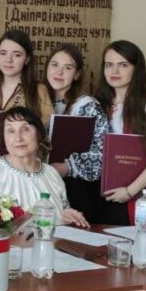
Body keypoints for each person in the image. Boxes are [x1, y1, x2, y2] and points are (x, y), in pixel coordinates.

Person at [95, 40, 146, 226]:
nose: (114, 71)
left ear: (137, 69)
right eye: (109, 65)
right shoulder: (98, 103)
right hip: (97, 191)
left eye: (123, 65)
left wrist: (130, 191)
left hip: (131, 192)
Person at [0, 107, 89, 228]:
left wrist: (67, 216)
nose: (18, 138)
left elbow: (60, 216)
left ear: (39, 134)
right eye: (11, 131)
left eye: (25, 129)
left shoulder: (52, 173)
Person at [44, 44, 109, 223]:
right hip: (42, 185)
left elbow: (104, 154)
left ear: (77, 74)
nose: (59, 72)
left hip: (77, 189)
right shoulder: (37, 101)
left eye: (68, 68)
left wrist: (67, 167)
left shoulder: (88, 106)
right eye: (54, 65)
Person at [0, 29, 53, 126]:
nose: (8, 60)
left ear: (27, 59)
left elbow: (48, 128)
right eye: (3, 53)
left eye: (17, 55)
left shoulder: (39, 90)